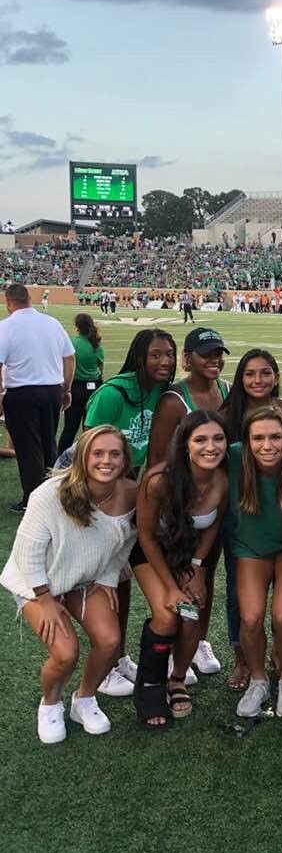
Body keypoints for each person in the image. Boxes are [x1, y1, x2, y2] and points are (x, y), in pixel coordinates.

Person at [0, 426, 137, 743]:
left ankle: (84, 699)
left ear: (125, 459)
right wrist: (46, 600)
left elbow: (125, 545)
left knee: (110, 641)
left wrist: (106, 579)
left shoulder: (132, 492)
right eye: (97, 453)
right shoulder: (50, 493)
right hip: (37, 582)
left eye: (114, 454)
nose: (106, 461)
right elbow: (27, 553)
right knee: (65, 653)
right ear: (83, 458)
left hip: (83, 579)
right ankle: (50, 704)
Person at [84, 329, 177, 697]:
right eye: (156, 355)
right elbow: (90, 450)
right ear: (139, 356)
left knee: (122, 583)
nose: (164, 362)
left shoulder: (164, 394)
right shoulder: (111, 394)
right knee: (103, 583)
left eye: (169, 355)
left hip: (140, 498)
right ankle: (104, 664)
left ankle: (119, 658)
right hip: (108, 499)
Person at [131, 411, 229, 728]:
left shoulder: (223, 480)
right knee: (168, 614)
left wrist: (198, 567)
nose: (210, 447)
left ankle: (177, 679)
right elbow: (145, 535)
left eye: (218, 438)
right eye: (200, 439)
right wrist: (171, 587)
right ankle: (149, 686)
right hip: (150, 553)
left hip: (186, 556)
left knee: (192, 615)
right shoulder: (159, 481)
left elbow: (212, 527)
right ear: (185, 444)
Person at [229, 406, 282, 718]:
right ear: (247, 441)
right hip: (250, 547)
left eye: (276, 437)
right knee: (250, 618)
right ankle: (258, 680)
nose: (268, 445)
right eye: (259, 438)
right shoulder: (234, 457)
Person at [219, 348, 282, 689]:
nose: (258, 380)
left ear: (276, 377)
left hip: (280, 517)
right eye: (250, 373)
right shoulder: (228, 415)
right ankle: (243, 658)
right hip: (240, 518)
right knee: (240, 596)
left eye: (265, 373)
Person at [0, 283, 75, 514]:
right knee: (48, 443)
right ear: (29, 299)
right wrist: (66, 389)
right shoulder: (51, 323)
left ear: (8, 302)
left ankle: (33, 501)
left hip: (22, 392)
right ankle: (54, 495)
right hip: (52, 390)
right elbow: (70, 358)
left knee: (28, 448)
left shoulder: (6, 326)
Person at [147, 328, 230, 468]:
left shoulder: (229, 391)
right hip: (186, 484)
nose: (214, 360)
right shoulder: (173, 401)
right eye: (206, 355)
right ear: (187, 358)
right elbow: (157, 458)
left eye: (218, 354)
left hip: (223, 483)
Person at [57, 313, 104, 455]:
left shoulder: (72, 342)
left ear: (77, 327)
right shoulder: (96, 344)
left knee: (70, 428)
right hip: (94, 388)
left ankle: (61, 461)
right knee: (90, 429)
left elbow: (65, 365)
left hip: (76, 388)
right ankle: (87, 460)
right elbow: (101, 367)